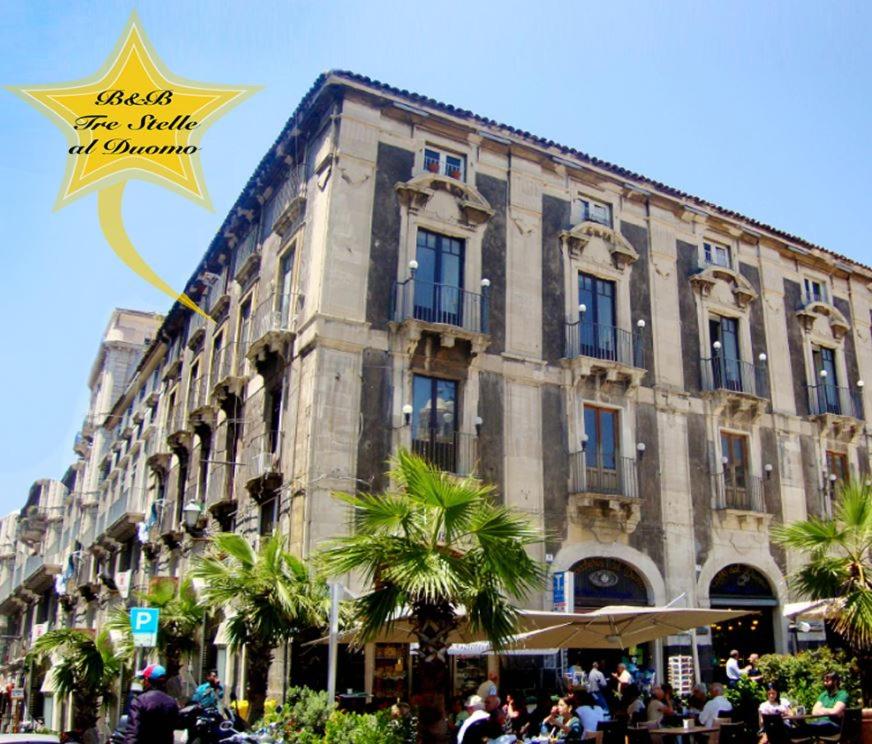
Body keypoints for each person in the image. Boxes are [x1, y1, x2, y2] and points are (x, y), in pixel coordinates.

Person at [124, 664, 179, 744]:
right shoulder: (171, 702)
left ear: (147, 680)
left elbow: (133, 732)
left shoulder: (139, 701)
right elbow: (175, 725)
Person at [806, 671, 849, 737]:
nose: (825, 683)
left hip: (834, 726)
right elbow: (814, 712)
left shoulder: (842, 694)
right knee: (803, 728)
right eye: (824, 681)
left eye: (827, 681)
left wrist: (821, 709)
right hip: (819, 724)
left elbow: (835, 712)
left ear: (835, 681)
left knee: (805, 729)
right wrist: (829, 711)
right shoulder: (823, 695)